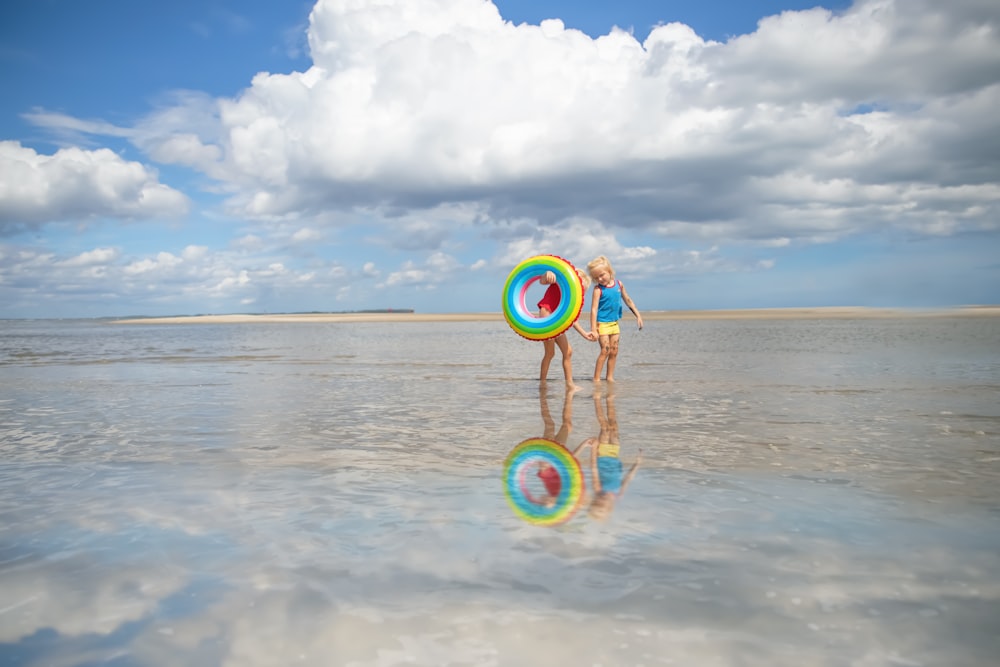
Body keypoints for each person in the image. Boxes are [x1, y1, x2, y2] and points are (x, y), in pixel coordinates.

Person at [587, 255, 643, 384]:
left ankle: (610, 377)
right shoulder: (598, 290)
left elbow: (627, 300)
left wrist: (638, 315)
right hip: (602, 324)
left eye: (602, 275)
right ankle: (596, 378)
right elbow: (594, 310)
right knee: (605, 351)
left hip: (614, 324)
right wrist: (593, 329)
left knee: (614, 351)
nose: (600, 279)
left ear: (609, 271)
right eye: (596, 278)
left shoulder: (619, 284)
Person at [587, 390, 642, 520]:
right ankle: (610, 400)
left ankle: (596, 399)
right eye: (602, 506)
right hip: (614, 453)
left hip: (602, 454)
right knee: (614, 425)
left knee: (605, 428)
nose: (601, 502)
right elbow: (628, 478)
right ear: (609, 507)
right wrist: (637, 464)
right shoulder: (618, 494)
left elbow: (594, 468)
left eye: (597, 503)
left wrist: (593, 449)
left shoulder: (598, 489)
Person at [538, 267, 596, 389]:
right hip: (547, 316)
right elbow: (542, 281)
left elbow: (573, 320)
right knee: (550, 353)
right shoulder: (558, 284)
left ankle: (569, 384)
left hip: (557, 321)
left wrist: (584, 334)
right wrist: (547, 274)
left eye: (582, 291)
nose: (579, 292)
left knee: (567, 352)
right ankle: (542, 383)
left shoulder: (572, 300)